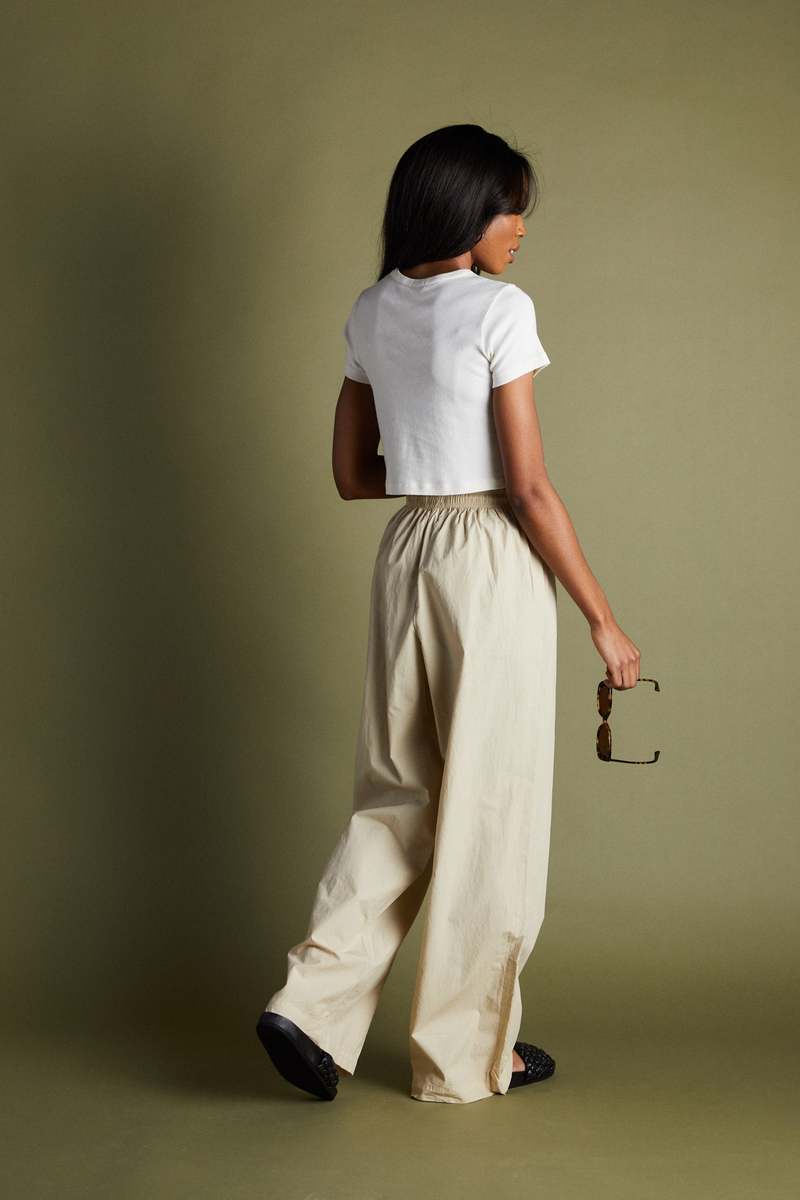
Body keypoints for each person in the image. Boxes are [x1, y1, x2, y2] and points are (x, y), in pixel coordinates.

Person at [256, 123, 641, 1105]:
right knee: (489, 805)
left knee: (398, 793)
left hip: (409, 552)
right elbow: (529, 488)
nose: (520, 229)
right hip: (487, 556)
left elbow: (352, 475)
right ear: (469, 213)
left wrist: (431, 472)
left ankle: (308, 1005)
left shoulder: (371, 308)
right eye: (511, 210)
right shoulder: (499, 308)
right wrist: (602, 619)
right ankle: (465, 1055)